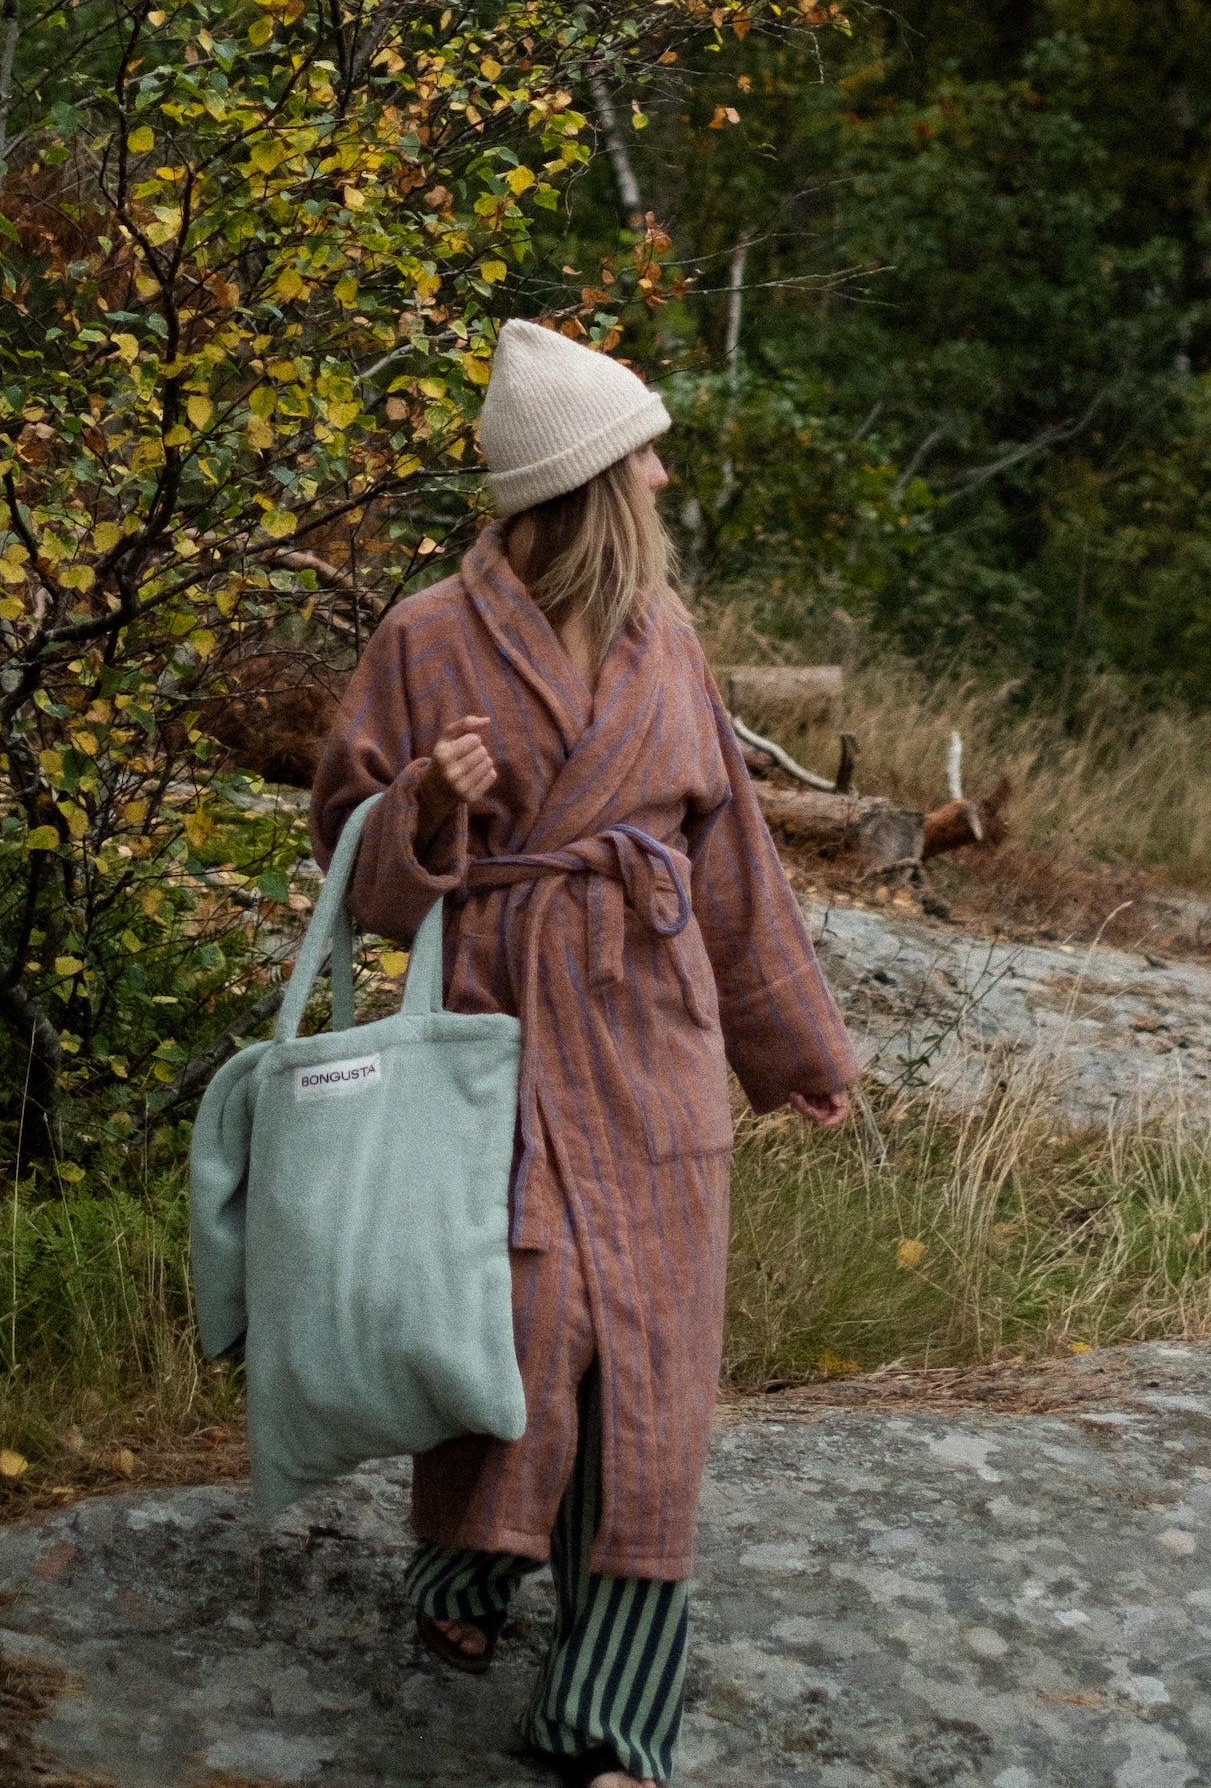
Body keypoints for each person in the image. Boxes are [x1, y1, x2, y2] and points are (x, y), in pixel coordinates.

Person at [309, 315, 858, 1788]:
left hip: (650, 1034)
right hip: (498, 1034)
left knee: (653, 1369)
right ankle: (465, 1573)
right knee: (521, 1333)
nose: (667, 477)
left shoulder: (665, 643)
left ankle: (615, 1717)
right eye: (646, 454)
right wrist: (423, 806)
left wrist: (792, 1045)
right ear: (590, 484)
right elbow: (349, 859)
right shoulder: (424, 638)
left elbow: (732, 860)